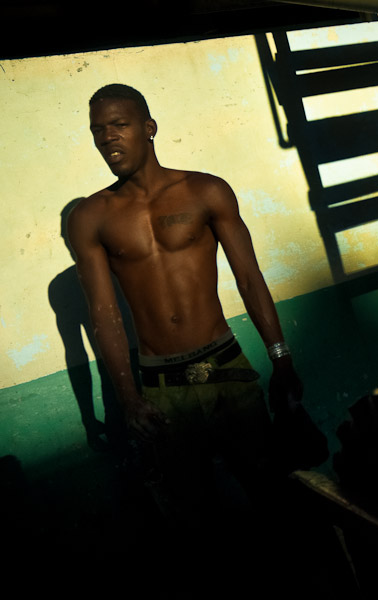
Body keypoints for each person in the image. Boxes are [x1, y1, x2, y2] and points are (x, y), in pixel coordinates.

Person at [68, 83, 309, 518]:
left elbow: (249, 278)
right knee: (193, 516)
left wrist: (281, 358)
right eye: (98, 130)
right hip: (161, 390)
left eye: (119, 125)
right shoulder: (90, 217)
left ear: (149, 127)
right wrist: (127, 398)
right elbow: (103, 317)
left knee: (274, 498)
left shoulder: (205, 190)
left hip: (226, 372)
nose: (108, 138)